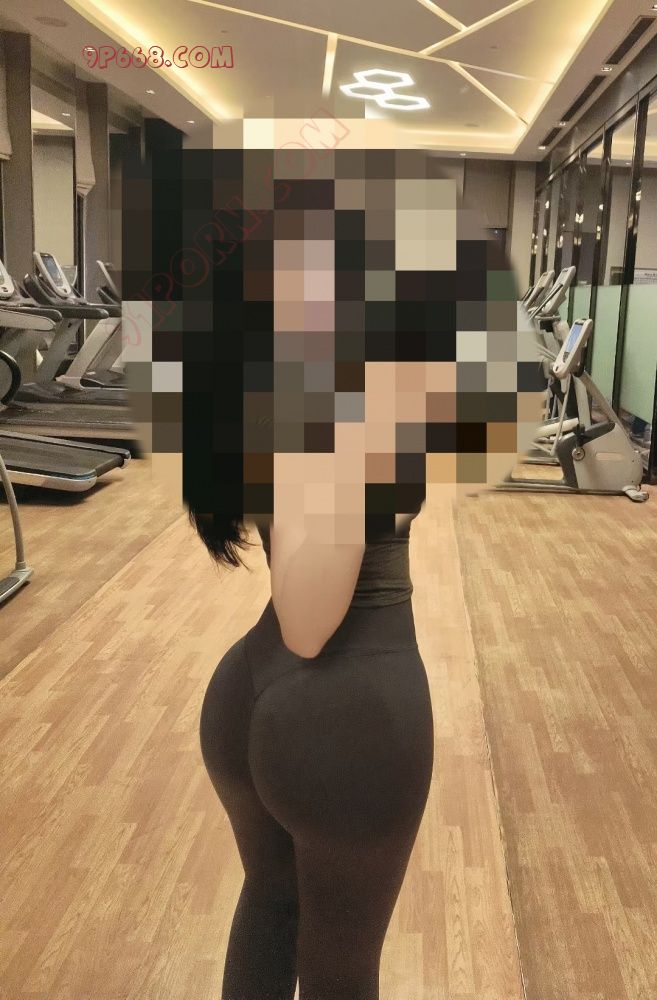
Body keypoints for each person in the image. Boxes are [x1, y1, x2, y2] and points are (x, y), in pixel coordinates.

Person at [176, 147, 532, 999]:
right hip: (342, 717)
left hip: (258, 689)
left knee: (271, 907)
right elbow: (310, 621)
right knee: (341, 969)